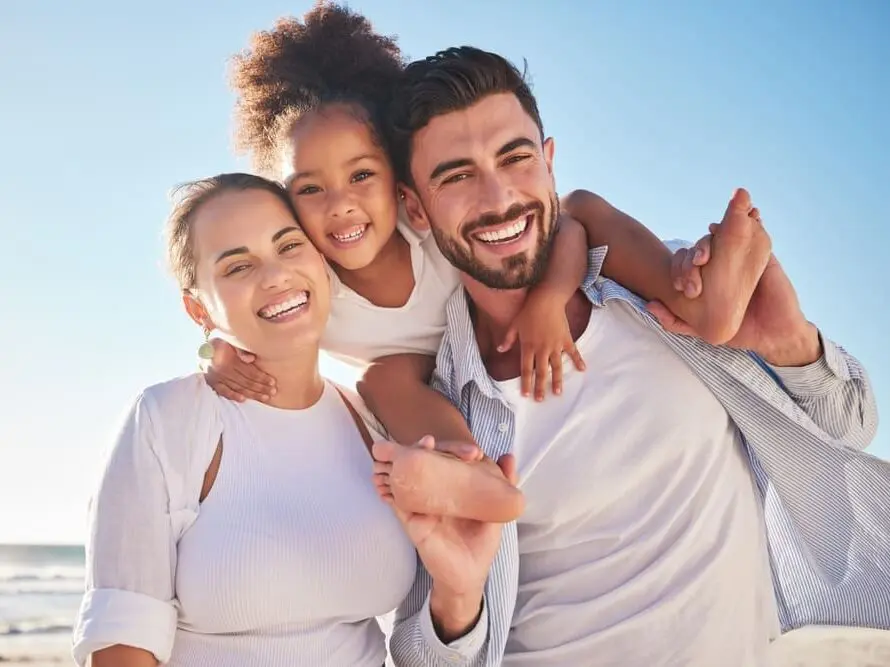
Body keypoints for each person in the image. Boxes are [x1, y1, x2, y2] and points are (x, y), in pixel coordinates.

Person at [372, 46, 888, 667]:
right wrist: (457, 598)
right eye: (457, 176)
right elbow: (420, 657)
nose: (499, 196)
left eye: (516, 157)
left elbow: (848, 428)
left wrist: (793, 346)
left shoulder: (668, 301)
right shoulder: (438, 409)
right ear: (416, 208)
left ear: (549, 161)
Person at [207, 3, 767, 521]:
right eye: (310, 189)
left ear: (400, 187)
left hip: (477, 336)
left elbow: (568, 230)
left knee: (580, 205)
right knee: (381, 379)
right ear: (286, 203)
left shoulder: (430, 227)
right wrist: (220, 353)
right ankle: (464, 469)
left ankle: (691, 293)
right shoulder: (309, 282)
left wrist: (549, 300)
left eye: (361, 176)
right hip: (433, 382)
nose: (341, 205)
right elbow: (244, 312)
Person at [71, 173, 505, 666]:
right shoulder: (167, 420)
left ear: (322, 260)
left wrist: (460, 595)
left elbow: (413, 656)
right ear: (198, 309)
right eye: (238, 266)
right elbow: (122, 641)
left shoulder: (371, 424)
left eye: (289, 246)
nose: (275, 275)